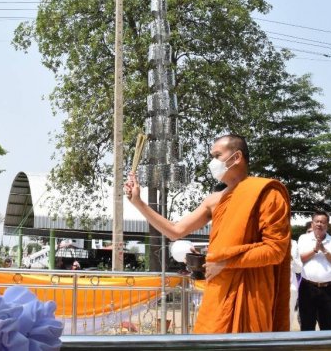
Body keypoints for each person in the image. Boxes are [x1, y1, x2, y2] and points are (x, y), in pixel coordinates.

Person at [124, 134, 291, 333]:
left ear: (236, 157)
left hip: (251, 292)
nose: (212, 162)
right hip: (219, 291)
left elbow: (275, 250)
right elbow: (175, 231)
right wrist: (138, 202)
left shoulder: (266, 193)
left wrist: (225, 261)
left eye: (217, 155)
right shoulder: (214, 200)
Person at [297, 211, 331, 330]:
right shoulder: (304, 238)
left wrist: (324, 250)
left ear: (327, 225)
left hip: (329, 289)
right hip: (308, 288)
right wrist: (315, 250)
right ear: (312, 224)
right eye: (316, 221)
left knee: (328, 325)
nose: (319, 224)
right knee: (307, 324)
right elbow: (301, 259)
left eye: (322, 222)